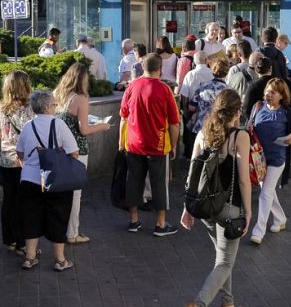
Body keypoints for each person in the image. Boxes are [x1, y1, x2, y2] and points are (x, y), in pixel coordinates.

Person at [181, 89, 252, 307]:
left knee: (222, 258)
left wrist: (187, 207)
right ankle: (200, 303)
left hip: (206, 207)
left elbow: (192, 175)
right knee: (224, 262)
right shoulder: (240, 136)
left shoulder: (203, 134)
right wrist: (248, 212)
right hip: (230, 208)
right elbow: (243, 180)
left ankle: (228, 300)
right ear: (237, 111)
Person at [15, 90, 80, 271]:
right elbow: (74, 151)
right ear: (46, 107)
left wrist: (27, 165)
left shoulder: (28, 126)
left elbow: (19, 152)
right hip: (55, 179)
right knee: (58, 216)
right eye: (53, 104)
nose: (55, 107)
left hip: (29, 179)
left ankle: (29, 257)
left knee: (31, 216)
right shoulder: (58, 124)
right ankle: (60, 260)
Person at [119, 54, 181, 236]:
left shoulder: (131, 87)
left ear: (142, 67)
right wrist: (174, 145)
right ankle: (160, 224)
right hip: (158, 144)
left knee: (133, 181)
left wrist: (121, 142)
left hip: (134, 143)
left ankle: (133, 220)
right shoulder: (164, 89)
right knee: (159, 184)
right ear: (160, 69)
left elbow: (123, 117)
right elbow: (174, 123)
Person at [53, 63, 112, 244]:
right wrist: (103, 125)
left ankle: (60, 229)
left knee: (61, 193)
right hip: (77, 150)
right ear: (83, 79)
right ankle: (72, 233)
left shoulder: (58, 95)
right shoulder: (81, 98)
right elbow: (84, 129)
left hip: (59, 148)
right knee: (75, 194)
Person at [248, 78, 291, 244]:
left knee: (265, 193)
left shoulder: (287, 112)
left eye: (273, 92)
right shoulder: (258, 107)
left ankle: (258, 231)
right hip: (259, 159)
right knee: (268, 192)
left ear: (281, 95)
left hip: (277, 159)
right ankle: (280, 219)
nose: (269, 95)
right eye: (267, 91)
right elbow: (250, 127)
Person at [0, 71, 35, 256]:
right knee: (24, 203)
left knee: (8, 201)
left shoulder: (0, 109)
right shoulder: (29, 108)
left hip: (5, 161)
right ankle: (22, 244)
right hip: (24, 161)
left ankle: (8, 240)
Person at [179, 51, 213, 159]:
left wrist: (185, 111)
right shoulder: (212, 73)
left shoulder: (190, 74)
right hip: (210, 110)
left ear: (194, 61)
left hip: (193, 110)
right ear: (207, 60)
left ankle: (191, 156)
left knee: (191, 136)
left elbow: (184, 95)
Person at [187, 59, 230, 138]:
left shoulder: (203, 86)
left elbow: (191, 107)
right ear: (227, 71)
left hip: (200, 128)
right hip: (218, 130)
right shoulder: (228, 91)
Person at [242, 57, 274, 123]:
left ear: (256, 70)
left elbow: (246, 109)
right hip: (277, 120)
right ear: (270, 68)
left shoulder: (253, 86)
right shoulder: (278, 83)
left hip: (259, 122)